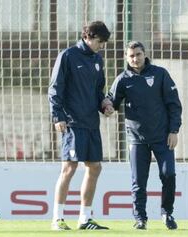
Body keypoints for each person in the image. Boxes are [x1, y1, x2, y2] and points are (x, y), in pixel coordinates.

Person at [107, 41, 182, 230]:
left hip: (162, 137)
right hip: (136, 138)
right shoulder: (123, 79)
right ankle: (140, 218)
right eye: (131, 56)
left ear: (144, 54)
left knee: (168, 174)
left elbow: (174, 104)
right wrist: (106, 106)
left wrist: (174, 131)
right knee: (138, 181)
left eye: (138, 54)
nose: (135, 59)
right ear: (126, 57)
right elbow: (111, 101)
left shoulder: (160, 74)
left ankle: (167, 213)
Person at [48, 21, 114, 231]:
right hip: (72, 122)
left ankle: (84, 219)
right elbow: (55, 88)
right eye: (100, 42)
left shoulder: (97, 59)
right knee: (69, 168)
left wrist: (104, 105)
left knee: (95, 167)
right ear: (89, 36)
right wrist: (58, 116)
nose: (101, 46)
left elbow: (97, 91)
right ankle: (57, 219)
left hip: (91, 123)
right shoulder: (67, 55)